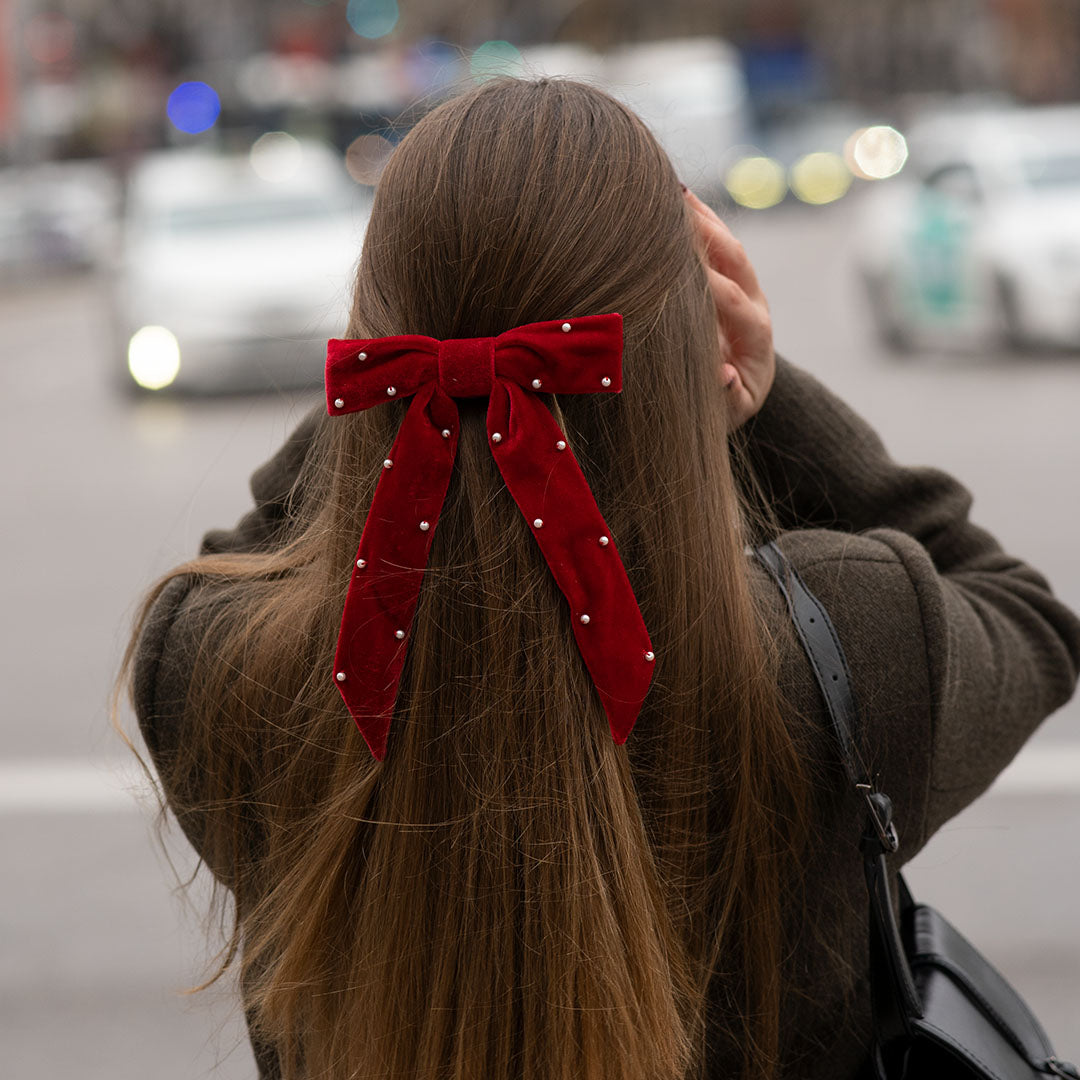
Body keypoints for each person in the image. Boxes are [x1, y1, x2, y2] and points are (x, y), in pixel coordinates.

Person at [113, 76, 1080, 1080]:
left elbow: (257, 544)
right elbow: (1021, 610)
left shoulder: (211, 670)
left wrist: (425, 384)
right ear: (685, 343)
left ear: (375, 346)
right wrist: (763, 393)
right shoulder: (855, 643)